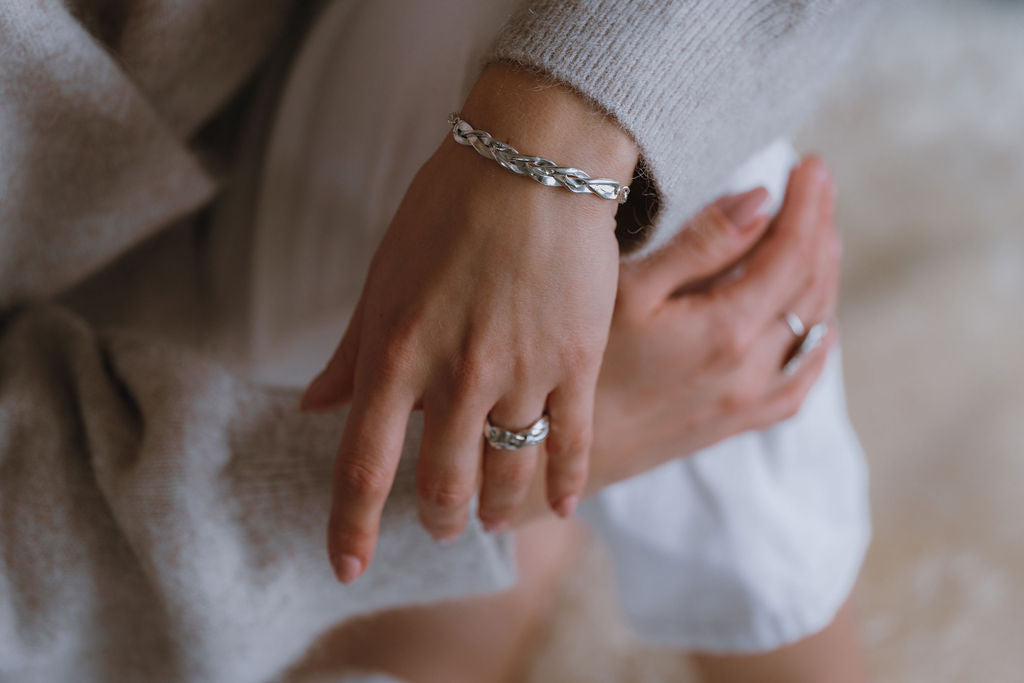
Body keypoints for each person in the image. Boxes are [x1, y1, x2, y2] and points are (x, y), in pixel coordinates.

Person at [0, 1, 875, 681]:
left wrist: (550, 143)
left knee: (633, 94)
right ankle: (433, 623)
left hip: (253, 159)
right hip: (94, 452)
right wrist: (439, 485)